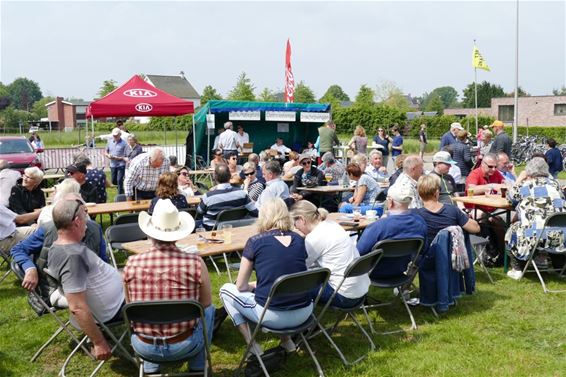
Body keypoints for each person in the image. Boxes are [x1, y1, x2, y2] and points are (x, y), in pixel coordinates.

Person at [124, 199, 214, 374]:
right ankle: (198, 367)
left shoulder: (131, 263)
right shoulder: (195, 263)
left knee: (139, 310)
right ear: (178, 233)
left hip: (144, 346)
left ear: (150, 233)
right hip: (185, 344)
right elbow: (206, 304)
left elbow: (129, 306)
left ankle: (150, 368)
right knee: (209, 311)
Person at [219, 198, 311, 356]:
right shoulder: (299, 239)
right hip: (305, 311)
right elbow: (294, 272)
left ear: (263, 216)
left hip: (272, 315)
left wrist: (252, 287)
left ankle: (251, 344)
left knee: (226, 290)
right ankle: (286, 340)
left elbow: (241, 286)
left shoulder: (255, 242)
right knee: (282, 288)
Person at [47, 197, 124, 361]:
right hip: (113, 309)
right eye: (84, 218)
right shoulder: (73, 256)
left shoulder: (56, 247)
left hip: (110, 302)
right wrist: (99, 342)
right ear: (76, 222)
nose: (87, 224)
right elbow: (77, 306)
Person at [11, 193, 107, 308]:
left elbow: (103, 261)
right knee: (99, 299)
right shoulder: (48, 230)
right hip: (56, 288)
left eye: (81, 208)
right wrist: (30, 269)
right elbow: (18, 249)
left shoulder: (95, 229)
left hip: (91, 283)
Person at [291, 200, 370, 308]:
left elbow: (299, 268)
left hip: (343, 296)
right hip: (361, 292)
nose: (295, 228)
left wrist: (297, 239)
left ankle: (298, 318)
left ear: (302, 219)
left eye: (295, 224)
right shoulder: (332, 225)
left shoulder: (314, 237)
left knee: (292, 286)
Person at [505, 157, 566, 280]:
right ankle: (559, 267)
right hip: (562, 236)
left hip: (536, 236)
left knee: (513, 229)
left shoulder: (526, 186)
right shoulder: (556, 184)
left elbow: (511, 198)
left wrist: (519, 179)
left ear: (529, 171)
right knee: (550, 228)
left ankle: (517, 268)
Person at [357, 184, 428, 280]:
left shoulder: (379, 226)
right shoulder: (420, 222)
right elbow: (423, 249)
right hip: (401, 270)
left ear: (390, 202)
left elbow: (358, 252)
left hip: (372, 272)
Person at [415, 175, 480, 246]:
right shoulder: (452, 210)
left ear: (418, 193)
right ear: (437, 192)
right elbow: (476, 228)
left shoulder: (415, 215)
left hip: (427, 255)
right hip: (450, 255)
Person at [196, 164, 257, 230]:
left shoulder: (207, 197)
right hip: (236, 228)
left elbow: (199, 212)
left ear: (214, 177)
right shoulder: (242, 194)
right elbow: (255, 211)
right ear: (230, 176)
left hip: (211, 231)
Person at [105, 128, 128, 195]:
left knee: (119, 180)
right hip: (113, 164)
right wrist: (108, 155)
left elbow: (126, 156)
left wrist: (118, 158)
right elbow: (106, 151)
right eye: (114, 135)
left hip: (121, 164)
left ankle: (120, 194)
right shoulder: (109, 142)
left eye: (116, 135)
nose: (115, 137)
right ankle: (121, 190)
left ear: (120, 134)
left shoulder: (124, 143)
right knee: (113, 181)